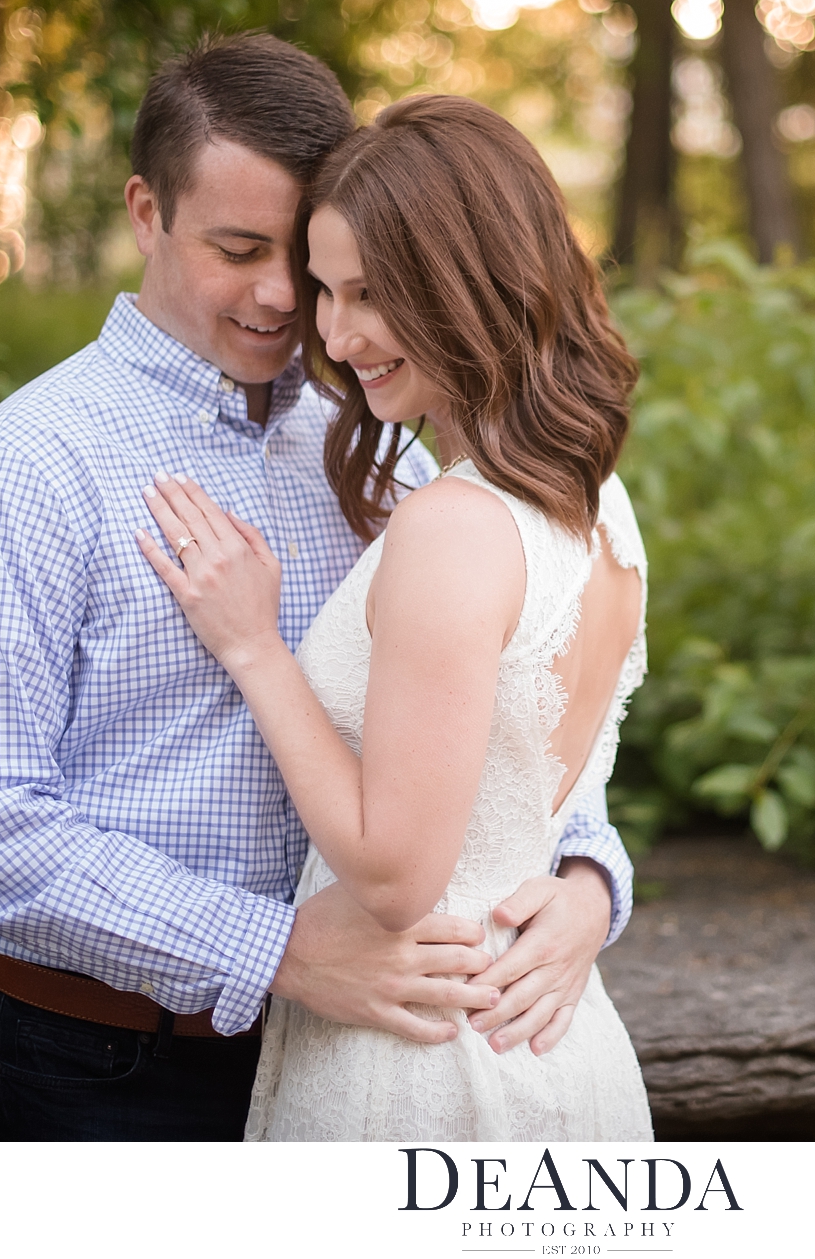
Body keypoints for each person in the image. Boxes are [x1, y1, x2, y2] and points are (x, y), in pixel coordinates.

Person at [0, 34, 634, 1142]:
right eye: (238, 248)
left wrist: (586, 879)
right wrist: (274, 952)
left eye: (311, 258)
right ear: (147, 212)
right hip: (110, 1072)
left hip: (369, 1057)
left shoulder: (390, 448)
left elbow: (511, 725)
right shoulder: (28, 467)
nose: (288, 299)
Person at [135, 93, 653, 1140]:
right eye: (327, 290)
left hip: (426, 1059)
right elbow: (531, 774)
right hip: (546, 1036)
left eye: (371, 293)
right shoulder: (595, 503)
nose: (334, 332)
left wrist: (257, 650)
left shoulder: (454, 524)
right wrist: (594, 885)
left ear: (473, 281)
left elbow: (393, 875)